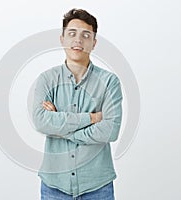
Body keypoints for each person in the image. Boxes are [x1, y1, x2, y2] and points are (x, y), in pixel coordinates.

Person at [32, 8, 123, 200]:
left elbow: (110, 130)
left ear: (94, 42)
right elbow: (41, 122)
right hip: (54, 187)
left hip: (98, 186)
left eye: (86, 35)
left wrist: (61, 126)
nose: (78, 40)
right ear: (62, 39)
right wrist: (90, 118)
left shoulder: (109, 82)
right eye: (72, 34)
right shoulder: (47, 80)